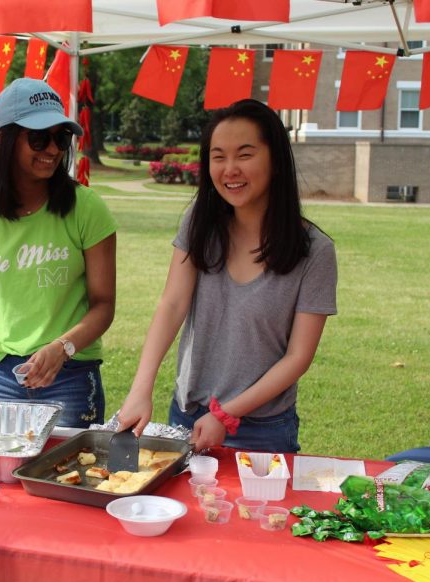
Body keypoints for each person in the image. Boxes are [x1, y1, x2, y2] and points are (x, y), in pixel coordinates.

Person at [117, 99, 337, 453]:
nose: (230, 169)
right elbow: (172, 304)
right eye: (218, 156)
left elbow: (298, 357)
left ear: (276, 160)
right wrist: (141, 388)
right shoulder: (200, 223)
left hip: (264, 428)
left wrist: (226, 414)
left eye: (245, 154)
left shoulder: (315, 251)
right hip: (189, 414)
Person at [0, 78, 117, 428]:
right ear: (5, 139)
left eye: (61, 137)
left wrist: (62, 348)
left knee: (67, 478)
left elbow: (103, 305)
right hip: (1, 373)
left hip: (71, 373)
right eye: (38, 137)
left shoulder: (87, 208)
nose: (52, 149)